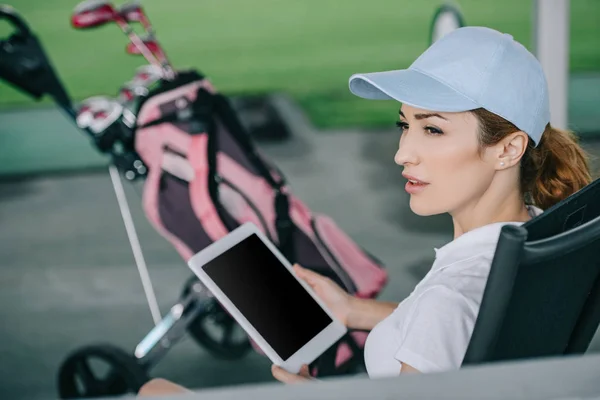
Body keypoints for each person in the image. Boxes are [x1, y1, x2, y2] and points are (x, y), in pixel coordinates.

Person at [137, 26, 592, 395]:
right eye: (404, 125)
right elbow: (473, 327)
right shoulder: (536, 236)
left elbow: (446, 316)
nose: (402, 153)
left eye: (432, 130)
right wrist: (355, 311)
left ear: (507, 150)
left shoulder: (448, 299)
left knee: (155, 391)